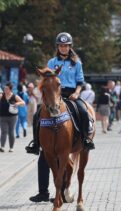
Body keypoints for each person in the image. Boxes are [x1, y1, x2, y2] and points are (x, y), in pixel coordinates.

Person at [26, 32, 94, 202]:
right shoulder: (51, 62)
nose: (63, 47)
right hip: (53, 95)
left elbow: (81, 81)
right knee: (37, 115)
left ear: (70, 47)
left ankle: (86, 139)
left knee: (83, 111)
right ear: (58, 47)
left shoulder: (76, 62)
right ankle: (36, 143)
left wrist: (77, 93)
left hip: (70, 94)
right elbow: (45, 80)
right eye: (61, 45)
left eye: (66, 45)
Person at [0, 82, 25, 152]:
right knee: (4, 131)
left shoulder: (15, 96)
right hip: (2, 117)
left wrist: (17, 103)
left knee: (11, 132)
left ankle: (11, 147)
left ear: (10, 89)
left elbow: (23, 103)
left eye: (7, 88)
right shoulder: (1, 96)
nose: (5, 90)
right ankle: (2, 147)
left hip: (13, 117)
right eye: (4, 88)